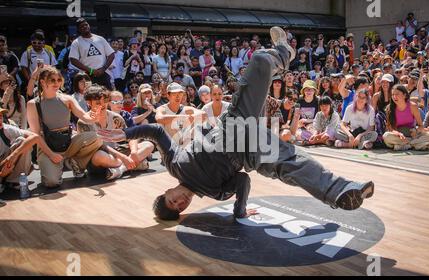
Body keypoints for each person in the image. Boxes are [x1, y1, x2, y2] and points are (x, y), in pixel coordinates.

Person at [99, 27, 375, 220]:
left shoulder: (174, 165)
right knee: (292, 162)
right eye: (180, 207)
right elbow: (242, 181)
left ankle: (282, 53)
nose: (180, 202)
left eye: (173, 201)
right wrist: (239, 211)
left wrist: (124, 131)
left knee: (259, 59)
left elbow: (155, 129)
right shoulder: (217, 193)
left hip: (232, 128)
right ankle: (341, 192)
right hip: (248, 152)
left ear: (167, 191)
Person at [26, 67, 107, 187]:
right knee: (51, 182)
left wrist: (95, 115)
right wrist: (51, 155)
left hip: (69, 142)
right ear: (42, 82)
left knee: (98, 137)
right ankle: (57, 165)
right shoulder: (33, 104)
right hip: (47, 147)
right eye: (52, 80)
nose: (56, 83)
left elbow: (85, 117)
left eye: (59, 80)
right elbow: (36, 135)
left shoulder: (67, 99)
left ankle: (74, 163)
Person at [77, 85, 154, 176]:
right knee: (99, 156)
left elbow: (130, 136)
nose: (102, 105)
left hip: (116, 153)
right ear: (89, 103)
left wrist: (133, 152)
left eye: (104, 101)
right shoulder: (83, 122)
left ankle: (120, 169)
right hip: (98, 157)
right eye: (98, 103)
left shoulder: (116, 117)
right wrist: (124, 157)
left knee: (148, 145)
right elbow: (98, 146)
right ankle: (134, 164)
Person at [383, 84, 429, 151]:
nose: (394, 96)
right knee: (386, 136)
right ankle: (415, 145)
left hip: (413, 135)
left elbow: (421, 126)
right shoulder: (389, 108)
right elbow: (390, 128)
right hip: (399, 136)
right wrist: (398, 133)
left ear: (404, 95)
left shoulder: (413, 106)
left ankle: (406, 145)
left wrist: (416, 130)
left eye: (397, 94)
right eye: (393, 94)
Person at [69, 18, 115, 90]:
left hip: (103, 73)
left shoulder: (100, 39)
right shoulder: (76, 42)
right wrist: (91, 71)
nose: (85, 27)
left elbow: (111, 54)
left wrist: (103, 69)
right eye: (82, 26)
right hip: (87, 75)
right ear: (78, 29)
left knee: (108, 97)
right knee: (89, 98)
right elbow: (73, 60)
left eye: (86, 25)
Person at [0, 107, 38, 193]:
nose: (0, 118)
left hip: (6, 163)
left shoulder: (7, 129)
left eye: (1, 115)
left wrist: (13, 156)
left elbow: (34, 137)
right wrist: (1, 174)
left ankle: (15, 181)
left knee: (23, 141)